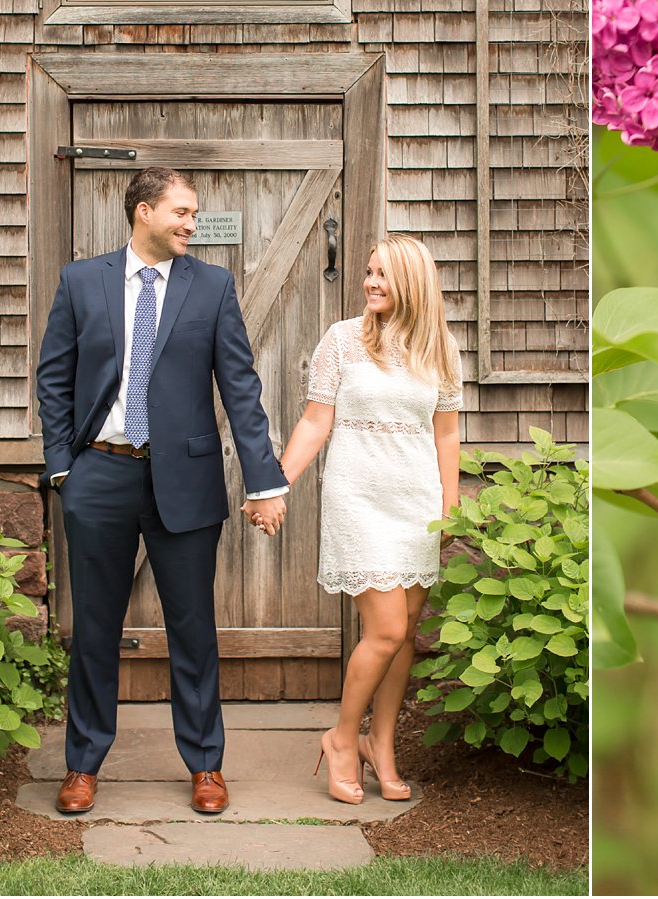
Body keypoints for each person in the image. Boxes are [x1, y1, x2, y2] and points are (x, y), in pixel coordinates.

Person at [36, 166, 288, 815]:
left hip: (186, 480)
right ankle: (83, 763)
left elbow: (241, 389)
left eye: (194, 214)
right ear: (143, 210)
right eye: (181, 211)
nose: (190, 223)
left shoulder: (212, 287)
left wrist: (264, 477)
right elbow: (54, 378)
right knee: (94, 628)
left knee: (193, 628)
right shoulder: (81, 281)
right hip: (100, 475)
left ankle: (206, 763)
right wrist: (64, 467)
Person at [248, 234, 461, 804]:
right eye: (368, 272)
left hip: (415, 502)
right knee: (386, 628)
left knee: (404, 635)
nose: (369, 283)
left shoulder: (440, 347)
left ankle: (380, 744)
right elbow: (317, 422)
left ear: (412, 283)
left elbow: (446, 433)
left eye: (382, 275)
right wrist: (275, 484)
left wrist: (449, 507)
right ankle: (343, 738)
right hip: (358, 500)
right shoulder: (341, 341)